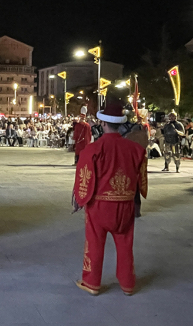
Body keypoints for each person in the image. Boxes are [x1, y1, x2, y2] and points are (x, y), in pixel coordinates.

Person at [72, 102, 146, 296]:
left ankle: (92, 282)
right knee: (125, 244)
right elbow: (141, 177)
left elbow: (84, 176)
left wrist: (80, 199)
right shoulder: (135, 149)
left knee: (94, 243)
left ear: (103, 123)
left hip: (100, 205)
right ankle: (128, 284)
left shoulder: (93, 149)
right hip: (125, 205)